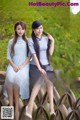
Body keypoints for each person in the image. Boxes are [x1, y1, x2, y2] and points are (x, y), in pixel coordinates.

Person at [25, 20, 56, 119]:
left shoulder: (46, 39)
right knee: (38, 83)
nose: (40, 30)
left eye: (41, 28)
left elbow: (50, 53)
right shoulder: (30, 40)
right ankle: (29, 108)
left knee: (50, 84)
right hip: (35, 66)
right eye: (37, 28)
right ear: (33, 30)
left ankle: (52, 109)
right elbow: (33, 56)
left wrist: (53, 41)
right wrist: (40, 69)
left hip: (47, 65)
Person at [4, 21, 30, 120]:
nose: (20, 31)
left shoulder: (28, 41)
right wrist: (14, 66)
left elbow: (29, 57)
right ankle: (10, 107)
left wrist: (21, 66)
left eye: (22, 29)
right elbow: (8, 57)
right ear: (15, 29)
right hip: (13, 65)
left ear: (25, 30)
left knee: (17, 80)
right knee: (10, 78)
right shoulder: (11, 41)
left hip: (24, 66)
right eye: (18, 29)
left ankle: (16, 111)